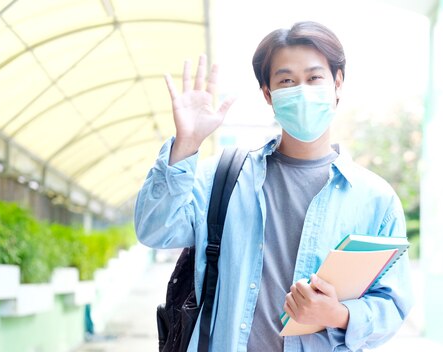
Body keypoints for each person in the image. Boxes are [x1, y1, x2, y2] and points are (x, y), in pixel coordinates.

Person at [135, 21, 413, 351]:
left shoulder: (375, 199)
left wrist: (337, 314)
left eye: (314, 77)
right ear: (268, 94)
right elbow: (155, 231)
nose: (303, 90)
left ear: (337, 83)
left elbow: (392, 305)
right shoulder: (223, 178)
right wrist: (186, 145)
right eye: (286, 81)